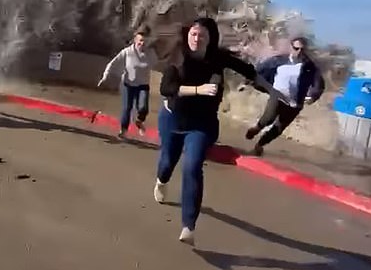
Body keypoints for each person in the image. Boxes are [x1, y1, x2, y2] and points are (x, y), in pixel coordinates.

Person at [155, 17, 285, 245]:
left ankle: (188, 226)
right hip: (173, 120)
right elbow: (167, 88)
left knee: (192, 165)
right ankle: (161, 181)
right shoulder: (178, 55)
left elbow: (249, 70)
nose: (196, 38)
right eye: (193, 34)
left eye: (201, 35)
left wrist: (272, 90)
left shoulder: (217, 57)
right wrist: (199, 89)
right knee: (167, 163)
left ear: (210, 38)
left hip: (202, 123)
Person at [244, 36, 325, 156]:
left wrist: (313, 96)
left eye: (302, 49)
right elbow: (259, 70)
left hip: (295, 103)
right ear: (291, 47)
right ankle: (257, 128)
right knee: (269, 118)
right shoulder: (278, 60)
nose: (299, 52)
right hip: (277, 95)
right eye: (296, 48)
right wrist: (247, 81)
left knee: (278, 128)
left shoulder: (310, 67)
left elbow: (319, 83)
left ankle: (259, 145)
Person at [98, 29, 158, 138]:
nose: (142, 43)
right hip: (128, 85)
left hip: (143, 85)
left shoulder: (151, 53)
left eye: (144, 41)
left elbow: (158, 62)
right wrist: (105, 76)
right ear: (135, 40)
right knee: (127, 108)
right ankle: (123, 130)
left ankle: (139, 121)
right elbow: (113, 63)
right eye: (140, 41)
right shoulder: (127, 52)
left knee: (143, 108)